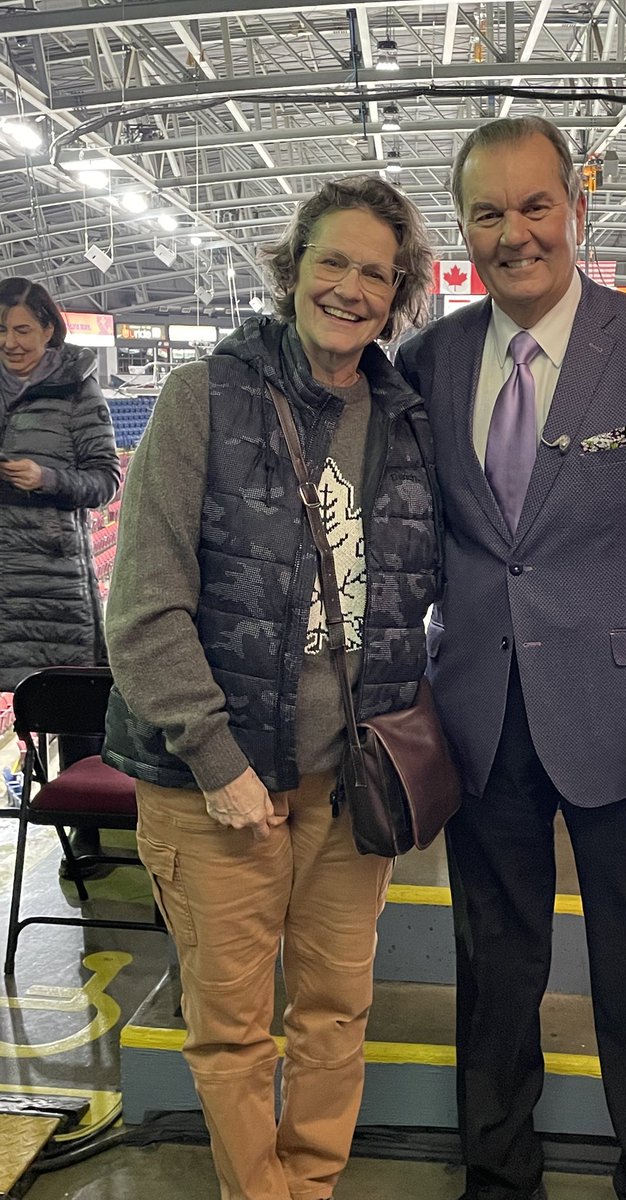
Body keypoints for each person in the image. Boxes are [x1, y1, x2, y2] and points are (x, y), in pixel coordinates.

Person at [397, 117, 626, 1200]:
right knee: (494, 980)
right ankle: (499, 1183)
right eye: (487, 213)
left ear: (577, 210)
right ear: (464, 230)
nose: (514, 233)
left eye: (534, 205)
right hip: (483, 724)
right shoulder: (429, 363)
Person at [102, 177, 438, 1200]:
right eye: (330, 262)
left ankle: (314, 1185)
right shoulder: (203, 397)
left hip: (348, 786)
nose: (350, 288)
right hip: (220, 786)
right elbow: (146, 607)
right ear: (290, 271)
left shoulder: (407, 422)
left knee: (336, 1015)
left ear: (399, 294)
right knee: (235, 1033)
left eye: (375, 272)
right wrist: (218, 759)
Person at [0, 277, 120, 871]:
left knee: (73, 706)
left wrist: (45, 479)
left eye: (22, 328)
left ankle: (87, 836)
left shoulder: (78, 391)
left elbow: (105, 481)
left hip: (51, 582)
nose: (10, 341)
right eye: (1, 330)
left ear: (49, 329)